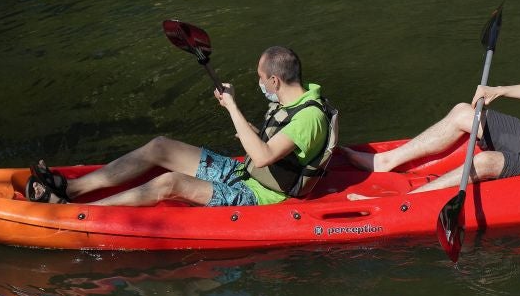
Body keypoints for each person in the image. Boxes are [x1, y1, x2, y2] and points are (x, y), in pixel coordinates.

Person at [343, 30, 520, 237]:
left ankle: (404, 202)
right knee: (462, 113)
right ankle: (386, 162)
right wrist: (500, 90)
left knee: (484, 162)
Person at [27, 46, 335, 207]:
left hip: (261, 196)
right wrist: (243, 123)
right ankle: (72, 188)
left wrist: (233, 108)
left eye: (259, 77)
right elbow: (269, 146)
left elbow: (266, 155)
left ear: (274, 80)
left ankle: (80, 214)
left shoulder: (308, 118)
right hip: (245, 172)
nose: (259, 82)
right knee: (161, 146)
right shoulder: (290, 99)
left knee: (169, 183)